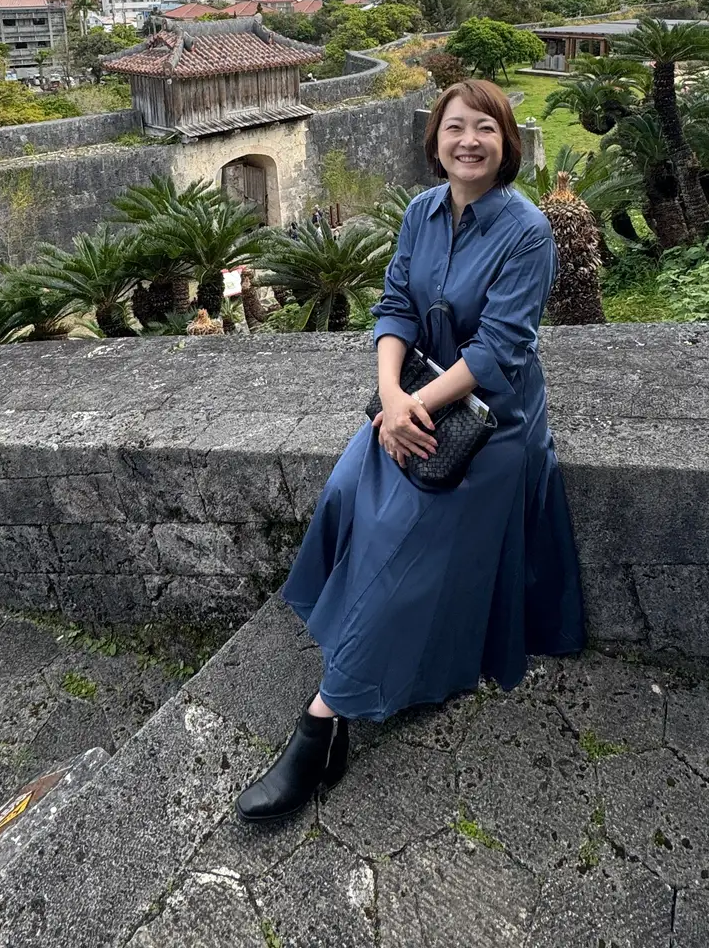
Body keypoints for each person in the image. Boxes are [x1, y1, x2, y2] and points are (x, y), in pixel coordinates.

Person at [235, 79, 585, 823]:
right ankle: (362, 630)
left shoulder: (527, 231)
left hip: (492, 428)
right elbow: (394, 306)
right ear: (435, 142)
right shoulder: (422, 214)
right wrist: (392, 399)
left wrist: (411, 409)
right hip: (416, 403)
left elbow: (500, 351)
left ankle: (324, 724)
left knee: (406, 541)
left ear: (506, 143)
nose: (469, 142)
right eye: (455, 128)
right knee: (344, 490)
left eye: (484, 130)